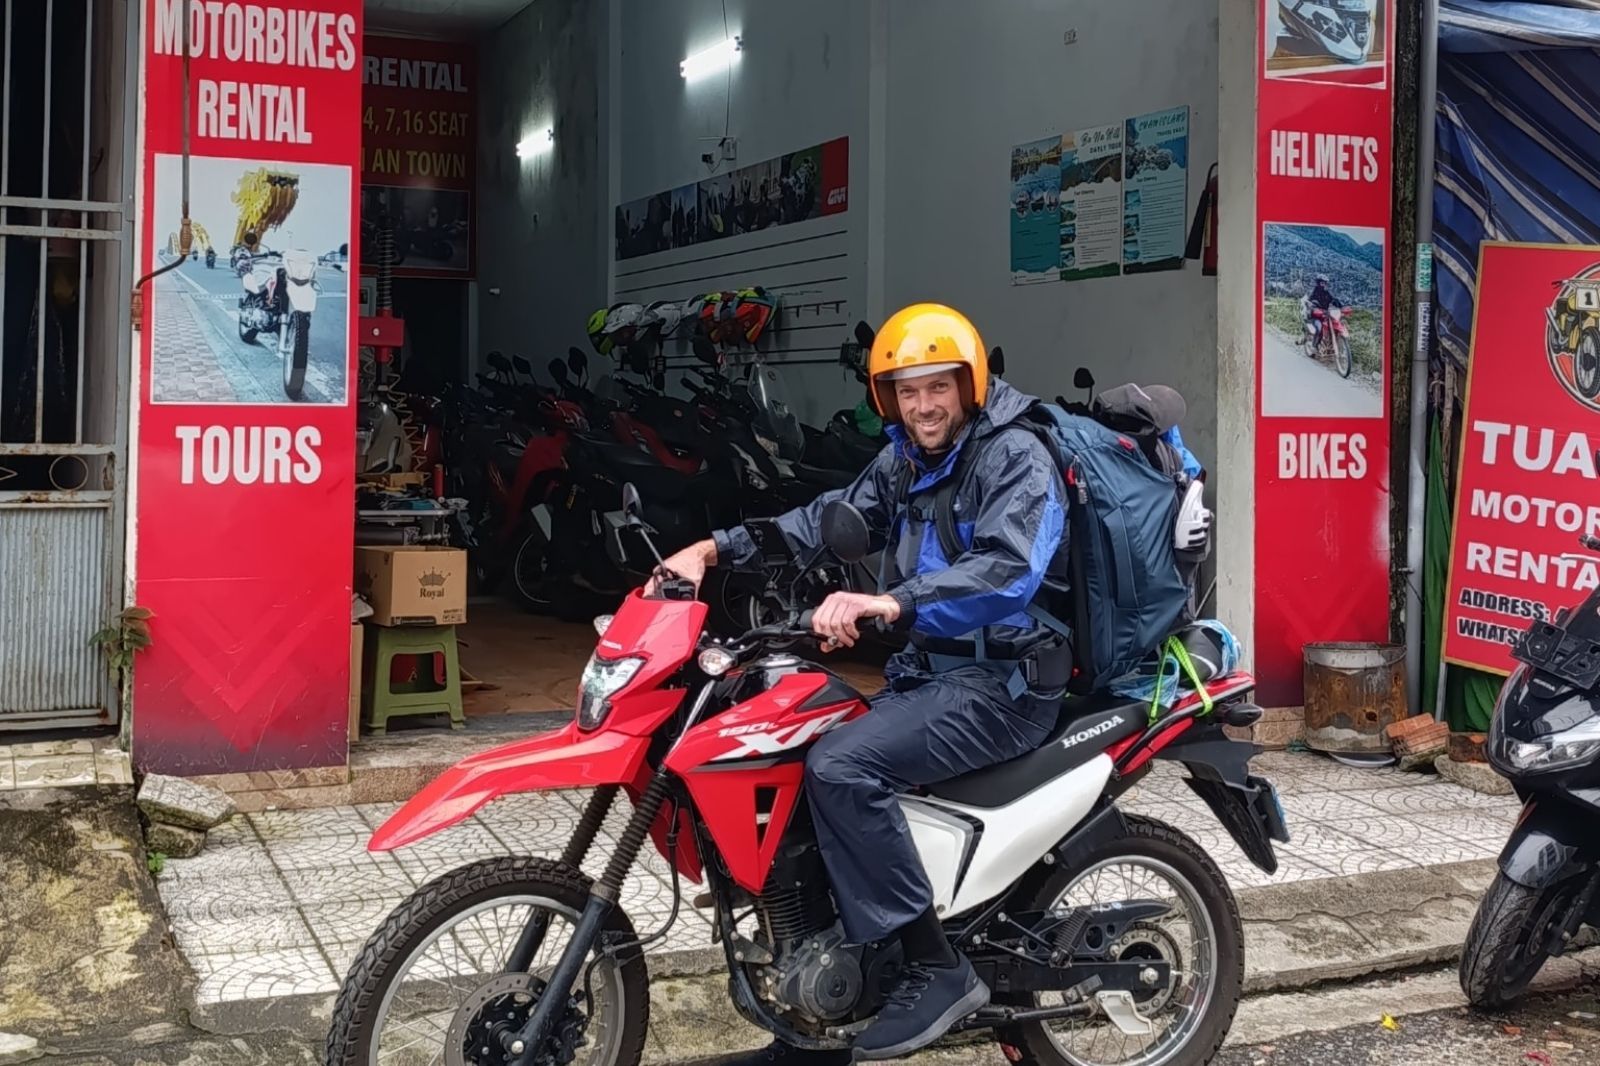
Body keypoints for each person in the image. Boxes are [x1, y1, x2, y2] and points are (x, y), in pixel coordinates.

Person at [653, 303, 1070, 1064]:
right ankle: (814, 1027)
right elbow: (826, 521)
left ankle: (936, 968)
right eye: (906, 393)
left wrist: (891, 601)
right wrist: (712, 550)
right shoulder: (908, 457)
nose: (922, 406)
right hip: (930, 672)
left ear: (968, 384)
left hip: (1005, 682)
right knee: (799, 759)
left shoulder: (1017, 456)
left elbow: (1011, 570)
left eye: (936, 388)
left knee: (841, 765)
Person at [1302, 274, 1342, 342]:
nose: (1323, 285)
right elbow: (1309, 301)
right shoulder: (1313, 292)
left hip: (1324, 315)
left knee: (1333, 324)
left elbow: (1331, 299)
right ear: (1318, 283)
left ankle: (1330, 341)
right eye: (1322, 283)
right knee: (1319, 328)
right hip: (1315, 316)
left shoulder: (1326, 293)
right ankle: (1314, 346)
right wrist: (1312, 306)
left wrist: (1339, 304)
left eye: (1324, 283)